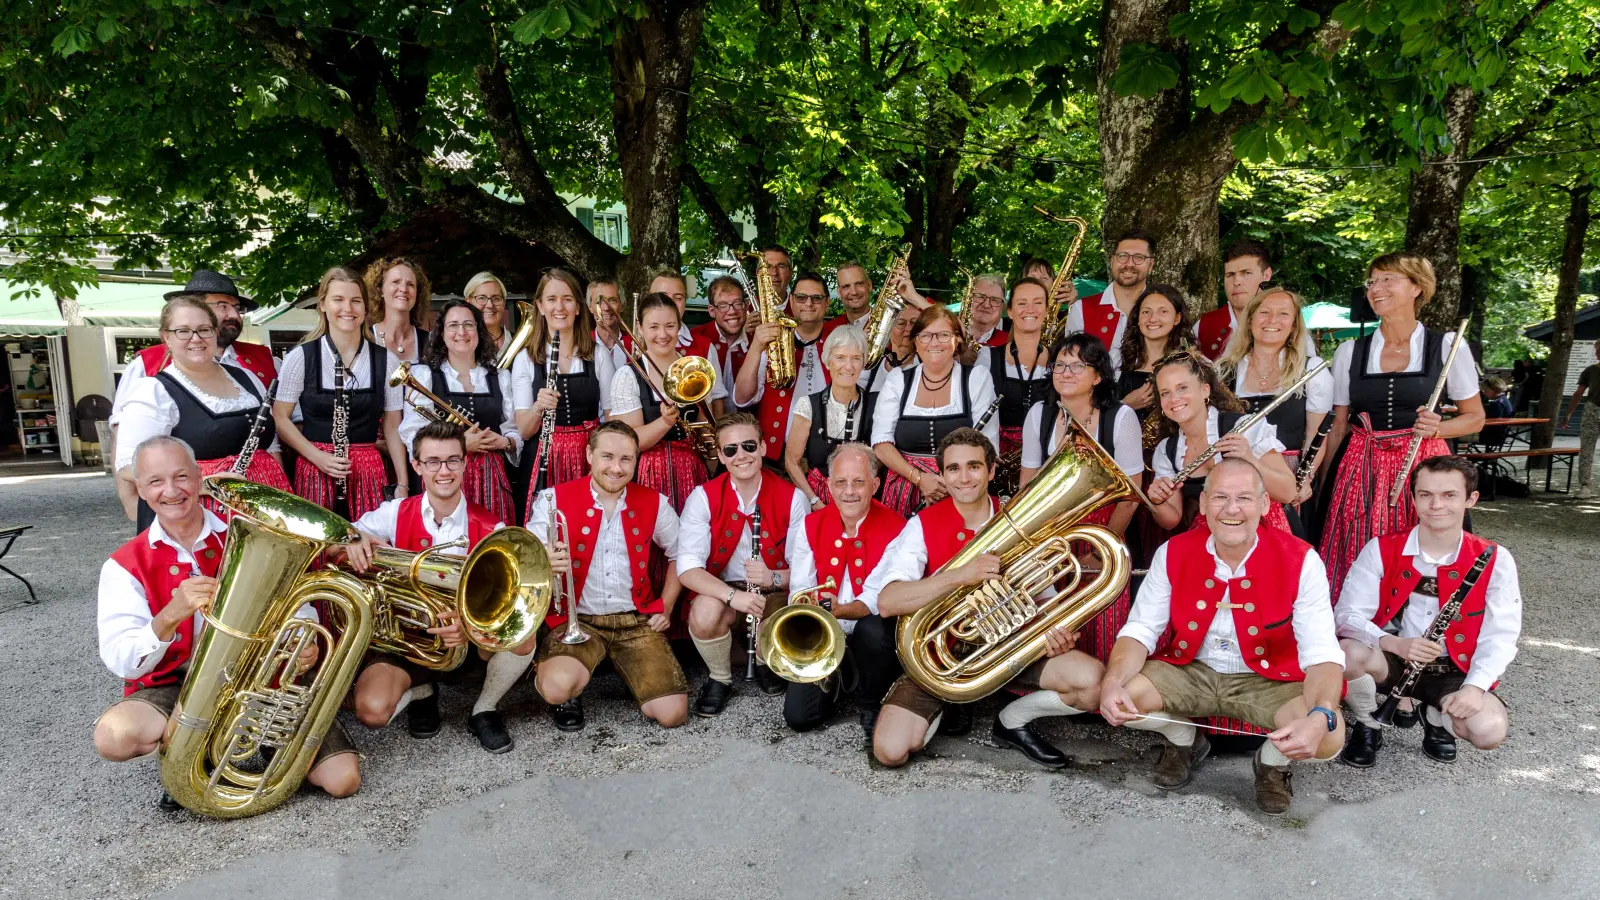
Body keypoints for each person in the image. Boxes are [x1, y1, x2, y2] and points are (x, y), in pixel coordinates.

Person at [94, 436, 359, 807]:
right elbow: (122, 658)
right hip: (179, 685)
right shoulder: (124, 565)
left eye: (181, 477)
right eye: (155, 481)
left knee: (342, 780)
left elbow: (294, 602)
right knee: (114, 737)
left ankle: (258, 741)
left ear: (200, 477)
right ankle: (187, 754)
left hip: (260, 678)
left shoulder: (248, 532)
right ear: (140, 489)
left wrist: (304, 642)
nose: (171, 491)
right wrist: (170, 615)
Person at [1091, 458, 1345, 814]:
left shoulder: (1302, 559)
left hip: (1266, 679)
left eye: (1243, 498)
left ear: (1263, 504)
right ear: (1205, 503)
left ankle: (1271, 763)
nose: (1231, 509)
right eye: (1221, 497)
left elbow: (1321, 653)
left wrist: (1320, 715)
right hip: (1190, 671)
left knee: (1330, 734)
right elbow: (1141, 630)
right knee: (1121, 696)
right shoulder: (1173, 551)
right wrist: (1113, 680)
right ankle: (1184, 740)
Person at [338, 421, 535, 753]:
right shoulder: (394, 513)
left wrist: (470, 627)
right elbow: (337, 537)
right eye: (432, 462)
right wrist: (351, 539)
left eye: (452, 460)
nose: (443, 471)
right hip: (407, 641)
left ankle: (484, 709)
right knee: (371, 712)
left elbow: (514, 603)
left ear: (464, 462)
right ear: (417, 466)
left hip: (466, 642)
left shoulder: (492, 528)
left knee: (524, 636)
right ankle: (421, 691)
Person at [1320, 252, 1484, 604]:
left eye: (1387, 279)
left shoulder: (1447, 346)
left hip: (1423, 468)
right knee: (1355, 547)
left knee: (1424, 548)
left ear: (1416, 287)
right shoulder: (1350, 351)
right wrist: (1322, 485)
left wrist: (1439, 429)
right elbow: (1338, 424)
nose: (1376, 288)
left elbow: (1475, 418)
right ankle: (1357, 630)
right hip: (1361, 469)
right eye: (1371, 282)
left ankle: (1421, 632)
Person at [1335, 456, 1519, 766]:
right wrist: (1392, 642)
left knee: (1488, 731)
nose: (1436, 505)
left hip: (1452, 668)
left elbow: (1501, 634)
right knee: (1345, 653)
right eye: (1426, 494)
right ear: (1414, 497)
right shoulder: (1381, 549)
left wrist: (1475, 688)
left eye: (1449, 495)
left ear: (1471, 499)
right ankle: (1369, 723)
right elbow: (1345, 616)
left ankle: (1435, 716)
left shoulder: (1495, 559)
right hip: (1391, 659)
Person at [528, 421, 688, 732]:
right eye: (607, 457)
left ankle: (633, 672)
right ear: (589, 455)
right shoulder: (553, 499)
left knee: (672, 714)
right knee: (556, 688)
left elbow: (681, 555)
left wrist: (666, 606)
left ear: (636, 460)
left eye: (626, 459)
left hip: (634, 621)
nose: (616, 468)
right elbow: (530, 555)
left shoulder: (655, 501)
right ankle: (569, 688)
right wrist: (546, 558)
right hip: (579, 620)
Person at [863, 428, 1004, 767]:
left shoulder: (1017, 517)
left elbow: (1045, 596)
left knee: (1086, 683)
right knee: (890, 752)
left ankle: (1012, 720)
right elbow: (887, 602)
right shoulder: (922, 524)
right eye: (953, 469)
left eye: (974, 466)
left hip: (1008, 650)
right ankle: (949, 699)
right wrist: (960, 575)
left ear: (992, 471)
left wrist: (1055, 632)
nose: (964, 477)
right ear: (942, 474)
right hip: (941, 656)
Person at [115, 297, 290, 531]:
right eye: (183, 331)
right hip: (201, 511)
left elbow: (270, 446)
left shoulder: (245, 377)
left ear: (215, 333)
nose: (196, 339)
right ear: (166, 337)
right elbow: (128, 466)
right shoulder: (154, 391)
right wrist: (208, 485)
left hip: (264, 505)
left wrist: (282, 495)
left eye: (204, 330)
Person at [676, 413, 811, 715]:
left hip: (773, 593)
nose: (741, 456)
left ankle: (764, 662)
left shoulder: (793, 499)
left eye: (749, 446)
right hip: (726, 593)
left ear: (763, 447)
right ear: (721, 457)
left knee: (779, 620)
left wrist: (771, 577)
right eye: (731, 450)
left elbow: (804, 575)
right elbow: (687, 569)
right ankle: (719, 678)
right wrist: (734, 597)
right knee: (705, 611)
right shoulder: (702, 497)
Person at [781, 443, 905, 738]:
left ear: (875, 485)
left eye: (858, 482)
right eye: (841, 482)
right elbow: (800, 588)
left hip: (869, 629)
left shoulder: (897, 528)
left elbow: (877, 598)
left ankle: (871, 701)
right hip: (828, 629)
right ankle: (836, 680)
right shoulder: (810, 525)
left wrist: (841, 609)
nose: (849, 491)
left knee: (873, 630)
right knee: (799, 717)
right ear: (828, 486)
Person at [273, 267, 407, 519]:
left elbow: (392, 426)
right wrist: (317, 456)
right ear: (322, 304)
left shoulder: (386, 360)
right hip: (316, 469)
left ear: (366, 308)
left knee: (369, 548)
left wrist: (402, 483)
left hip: (369, 470)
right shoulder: (300, 357)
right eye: (338, 300)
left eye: (356, 301)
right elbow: (280, 417)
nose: (348, 308)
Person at [1216, 287, 1334, 536]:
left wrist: (1305, 479)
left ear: (1293, 326)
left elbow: (1316, 434)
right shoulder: (1224, 370)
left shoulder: (1311, 370)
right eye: (1264, 312)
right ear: (1249, 321)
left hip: (1289, 474)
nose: (1272, 320)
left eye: (1283, 314)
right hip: (1236, 475)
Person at [397, 299, 521, 523]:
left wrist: (505, 442)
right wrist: (460, 443)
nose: (461, 332)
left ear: (478, 331)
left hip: (491, 479)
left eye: (469, 325)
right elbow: (411, 434)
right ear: (442, 333)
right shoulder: (424, 376)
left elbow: (515, 429)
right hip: (443, 476)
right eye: (453, 325)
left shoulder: (500, 378)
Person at [1147, 351, 1297, 533]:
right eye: (1165, 393)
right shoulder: (1167, 451)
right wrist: (1158, 501)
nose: (1174, 399)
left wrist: (1250, 459)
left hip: (1262, 529)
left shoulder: (1244, 427)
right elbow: (1171, 521)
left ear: (1205, 390)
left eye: (1183, 388)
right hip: (1211, 535)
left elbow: (1288, 493)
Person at [871, 306, 1000, 515]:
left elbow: (989, 446)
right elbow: (881, 443)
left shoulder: (977, 378)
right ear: (915, 341)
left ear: (957, 339)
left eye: (943, 335)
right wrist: (920, 479)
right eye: (926, 335)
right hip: (906, 491)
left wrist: (953, 482)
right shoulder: (897, 380)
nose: (934, 342)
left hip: (962, 490)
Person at [110, 270, 277, 423]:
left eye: (238, 308)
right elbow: (123, 426)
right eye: (223, 306)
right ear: (196, 307)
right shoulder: (147, 364)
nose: (234, 315)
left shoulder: (263, 357)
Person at [1020, 334, 1144, 539]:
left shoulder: (1122, 417)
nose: (1066, 373)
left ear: (1097, 376)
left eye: (1078, 366)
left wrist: (1100, 551)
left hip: (1102, 532)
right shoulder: (1038, 413)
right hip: (1049, 529)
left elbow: (1129, 499)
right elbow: (1026, 486)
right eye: (1060, 365)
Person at [609, 293, 722, 512]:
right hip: (647, 474)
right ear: (640, 328)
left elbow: (704, 427)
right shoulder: (628, 375)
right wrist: (664, 422)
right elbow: (628, 442)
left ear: (679, 326)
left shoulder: (695, 369)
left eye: (670, 326)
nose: (662, 334)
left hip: (692, 469)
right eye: (653, 327)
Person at [513, 268, 614, 510]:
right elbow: (525, 431)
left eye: (567, 299)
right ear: (539, 306)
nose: (560, 307)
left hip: (588, 455)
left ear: (578, 308)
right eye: (551, 299)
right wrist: (538, 407)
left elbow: (611, 418)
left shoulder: (598, 355)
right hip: (543, 456)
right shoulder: (525, 359)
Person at [734, 270, 836, 465]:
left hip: (829, 459)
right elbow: (742, 398)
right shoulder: (771, 339)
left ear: (827, 302)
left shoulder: (839, 340)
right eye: (801, 297)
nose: (808, 303)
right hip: (777, 458)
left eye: (816, 298)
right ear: (791, 301)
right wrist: (756, 347)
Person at [974, 278, 1053, 491]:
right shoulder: (987, 356)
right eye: (1021, 303)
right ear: (1009, 311)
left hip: (1047, 463)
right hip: (998, 463)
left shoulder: (1061, 360)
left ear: (1047, 309)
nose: (1030, 309)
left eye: (1037, 303)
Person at [785, 325, 872, 508]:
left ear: (863, 363)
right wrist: (814, 501)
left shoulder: (876, 403)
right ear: (827, 361)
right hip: (819, 501)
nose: (848, 366)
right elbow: (792, 462)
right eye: (840, 357)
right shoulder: (808, 405)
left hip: (864, 501)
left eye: (856, 358)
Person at [1065, 229, 1156, 373]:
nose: (1129, 264)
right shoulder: (1081, 309)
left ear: (1150, 265)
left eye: (1138, 257)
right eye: (1122, 256)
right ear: (1112, 260)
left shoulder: (1165, 311)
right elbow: (1073, 367)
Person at [1117, 284, 1194, 432]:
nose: (1153, 319)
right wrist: (1125, 404)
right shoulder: (1119, 360)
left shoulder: (1190, 364)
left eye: (1163, 311)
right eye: (1146, 312)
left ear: (1177, 318)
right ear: (1138, 318)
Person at [1196, 240, 1275, 359]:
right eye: (1230, 275)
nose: (1236, 282)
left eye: (1246, 273)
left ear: (1267, 275)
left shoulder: (1286, 325)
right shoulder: (1204, 325)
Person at [687, 274, 750, 412]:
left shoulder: (756, 341)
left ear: (746, 306)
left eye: (738, 303)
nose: (732, 311)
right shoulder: (694, 340)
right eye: (723, 306)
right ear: (711, 311)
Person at [366, 257, 430, 364]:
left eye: (410, 284)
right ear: (380, 289)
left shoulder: (430, 343)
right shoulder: (365, 340)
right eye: (396, 282)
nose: (404, 289)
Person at [1560, 342, 1600, 497]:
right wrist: (1568, 413)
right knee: (1586, 450)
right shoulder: (1590, 371)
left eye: (1598, 350)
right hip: (1592, 410)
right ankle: (1585, 485)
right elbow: (1579, 393)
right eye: (1596, 350)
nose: (1596, 353)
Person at [862, 302, 921, 395]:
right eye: (901, 323)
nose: (909, 329)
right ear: (887, 328)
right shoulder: (872, 366)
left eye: (914, 323)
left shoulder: (928, 365)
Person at [464, 271, 513, 357]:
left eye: (496, 298)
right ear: (468, 302)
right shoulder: (459, 345)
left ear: (504, 303)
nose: (490, 305)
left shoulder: (523, 344)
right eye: (482, 298)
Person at [587, 277, 630, 376]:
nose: (606, 308)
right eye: (598, 302)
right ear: (589, 307)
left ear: (621, 305)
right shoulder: (581, 345)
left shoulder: (635, 346)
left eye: (612, 301)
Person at [648, 267, 697, 349]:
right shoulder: (627, 344)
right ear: (648, 300)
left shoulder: (706, 348)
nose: (671, 303)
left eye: (678, 298)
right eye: (663, 296)